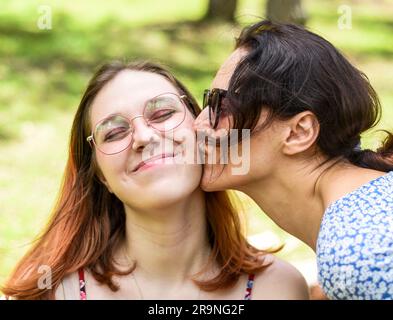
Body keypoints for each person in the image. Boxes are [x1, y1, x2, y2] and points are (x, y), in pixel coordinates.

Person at [1, 60, 309, 300]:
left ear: (201, 129)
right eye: (114, 132)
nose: (144, 137)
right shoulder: (51, 291)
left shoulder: (277, 288)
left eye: (162, 114)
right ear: (100, 176)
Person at [194, 20, 393, 300]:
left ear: (299, 132)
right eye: (207, 102)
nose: (198, 124)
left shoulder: (356, 252)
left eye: (222, 105)